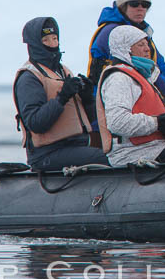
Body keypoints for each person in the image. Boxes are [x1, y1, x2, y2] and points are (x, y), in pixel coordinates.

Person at [96, 25, 165, 164]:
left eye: (147, 44)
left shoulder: (142, 75)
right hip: (132, 152)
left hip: (154, 146)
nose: (147, 48)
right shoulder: (119, 78)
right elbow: (118, 122)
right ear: (125, 49)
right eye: (141, 45)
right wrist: (158, 123)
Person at [13, 17, 110, 171]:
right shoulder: (29, 78)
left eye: (55, 38)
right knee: (104, 158)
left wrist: (87, 99)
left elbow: (89, 120)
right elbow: (35, 123)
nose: (52, 44)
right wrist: (62, 98)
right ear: (34, 44)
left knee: (112, 152)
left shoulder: (64, 72)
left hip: (76, 145)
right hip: (47, 153)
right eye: (45, 40)